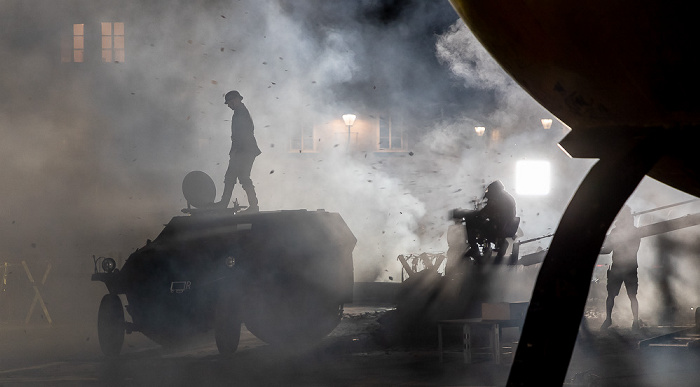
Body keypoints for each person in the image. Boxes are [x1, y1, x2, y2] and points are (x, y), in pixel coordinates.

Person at [215, 90, 262, 212]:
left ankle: (253, 206)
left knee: (241, 177)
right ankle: (226, 203)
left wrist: (236, 151)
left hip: (244, 150)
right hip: (244, 150)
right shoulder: (239, 112)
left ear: (235, 100)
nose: (229, 105)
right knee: (234, 176)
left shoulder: (240, 113)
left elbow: (242, 134)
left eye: (229, 102)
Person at [452, 180, 517, 262]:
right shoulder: (506, 197)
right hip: (504, 226)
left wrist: (465, 213)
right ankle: (500, 243)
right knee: (480, 222)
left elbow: (482, 214)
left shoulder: (497, 200)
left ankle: (474, 248)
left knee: (470, 221)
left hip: (498, 228)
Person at [600, 205, 641, 330]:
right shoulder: (618, 232)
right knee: (615, 295)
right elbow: (607, 250)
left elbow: (633, 249)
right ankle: (611, 319)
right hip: (621, 267)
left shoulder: (631, 232)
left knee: (630, 296)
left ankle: (634, 321)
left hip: (626, 267)